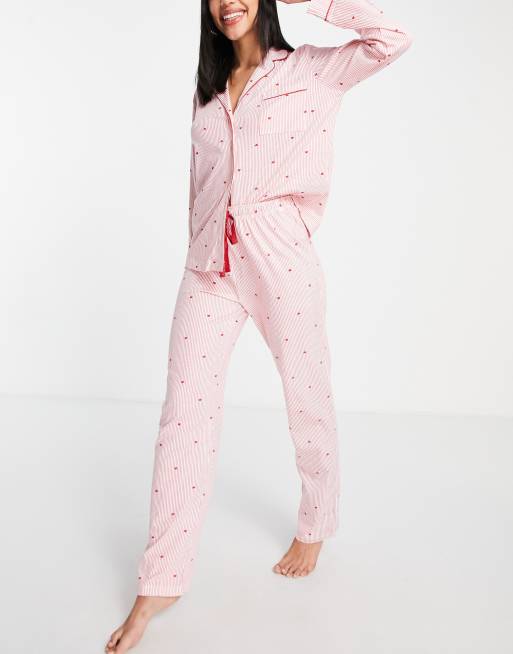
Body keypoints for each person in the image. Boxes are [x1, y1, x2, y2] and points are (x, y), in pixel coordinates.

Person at [105, 0, 412, 651]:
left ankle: (316, 521)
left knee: (307, 395)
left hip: (280, 254)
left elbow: (392, 38)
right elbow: (198, 183)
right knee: (183, 414)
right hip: (209, 264)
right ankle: (161, 577)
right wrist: (196, 248)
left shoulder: (312, 71)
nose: (228, 1)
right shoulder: (207, 90)